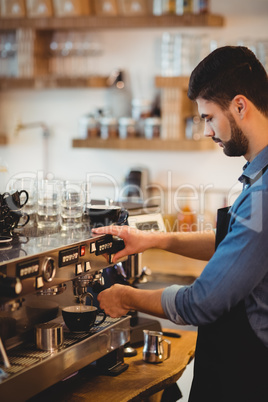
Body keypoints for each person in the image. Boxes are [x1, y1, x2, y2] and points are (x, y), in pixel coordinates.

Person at [92, 46, 268, 402]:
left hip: (249, 378)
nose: (207, 131)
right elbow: (237, 245)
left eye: (208, 117)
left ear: (239, 106)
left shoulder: (262, 195)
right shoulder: (259, 182)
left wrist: (126, 297)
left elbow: (200, 303)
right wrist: (151, 240)